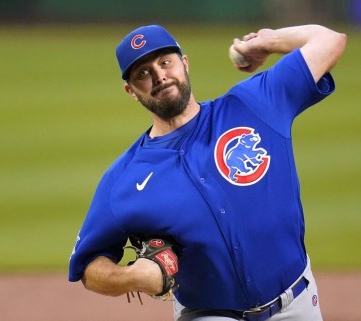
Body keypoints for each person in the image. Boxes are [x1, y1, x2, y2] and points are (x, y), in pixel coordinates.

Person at [69, 23, 346, 321]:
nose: (159, 76)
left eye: (165, 62)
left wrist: (269, 41)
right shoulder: (123, 179)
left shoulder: (253, 105)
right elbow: (89, 267)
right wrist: (134, 277)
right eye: (143, 74)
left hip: (297, 306)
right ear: (131, 91)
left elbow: (329, 41)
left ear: (184, 63)